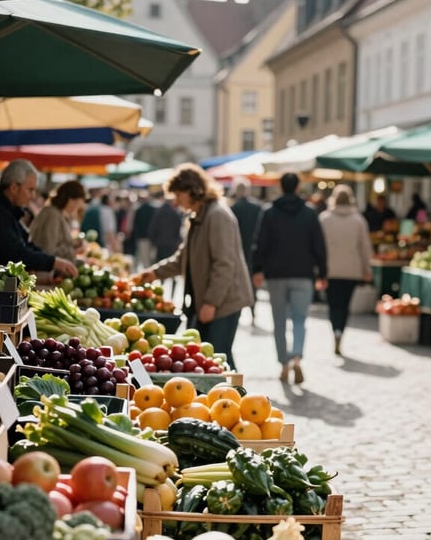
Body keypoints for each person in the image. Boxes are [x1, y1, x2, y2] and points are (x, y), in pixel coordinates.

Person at [138, 163, 252, 371]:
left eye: (178, 194)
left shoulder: (217, 215)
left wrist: (211, 302)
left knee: (218, 358)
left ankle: (235, 397)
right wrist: (154, 273)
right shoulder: (199, 216)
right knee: (211, 357)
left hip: (224, 302)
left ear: (193, 190)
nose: (176, 201)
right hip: (212, 301)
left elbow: (224, 264)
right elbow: (183, 258)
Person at [252, 171, 328, 384]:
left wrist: (257, 269)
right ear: (297, 187)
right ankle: (296, 356)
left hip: (276, 274)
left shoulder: (269, 212)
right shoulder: (309, 213)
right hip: (303, 274)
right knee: (300, 319)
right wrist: (323, 273)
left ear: (280, 186)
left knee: (278, 321)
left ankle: (283, 363)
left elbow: (260, 244)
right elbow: (319, 246)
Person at [0, 159, 78, 278]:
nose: (33, 196)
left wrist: (53, 261)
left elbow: (26, 245)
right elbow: (16, 254)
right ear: (14, 187)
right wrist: (53, 262)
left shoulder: (6, 210)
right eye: (30, 190)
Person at [319, 184, 373, 356]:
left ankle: (335, 330)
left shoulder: (324, 219)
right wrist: (367, 268)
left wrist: (317, 269)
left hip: (330, 269)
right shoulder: (358, 220)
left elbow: (318, 247)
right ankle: (340, 331)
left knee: (333, 304)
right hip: (352, 271)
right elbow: (365, 247)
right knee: (344, 304)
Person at [230, 178, 263, 322]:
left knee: (238, 283)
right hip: (254, 251)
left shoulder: (233, 209)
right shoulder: (257, 208)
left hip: (238, 252)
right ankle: (253, 309)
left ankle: (237, 312)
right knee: (252, 282)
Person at [28, 180, 86, 262]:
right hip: (44, 271)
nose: (76, 209)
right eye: (77, 204)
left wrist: (74, 244)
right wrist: (74, 251)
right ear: (70, 200)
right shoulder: (52, 215)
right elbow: (48, 250)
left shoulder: (57, 213)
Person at [147, 194, 184, 299]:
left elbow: (152, 229)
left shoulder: (159, 212)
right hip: (172, 246)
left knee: (162, 271)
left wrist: (155, 242)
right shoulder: (175, 214)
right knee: (172, 272)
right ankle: (171, 296)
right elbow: (179, 232)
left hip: (161, 246)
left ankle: (160, 295)